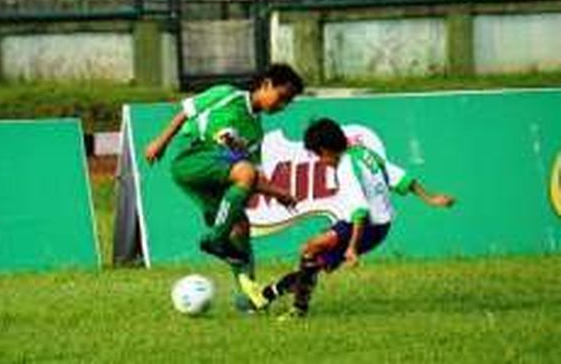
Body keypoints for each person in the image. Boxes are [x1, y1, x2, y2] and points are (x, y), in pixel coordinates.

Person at [252, 117, 455, 318]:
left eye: (317, 156)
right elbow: (401, 178)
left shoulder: (345, 168)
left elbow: (360, 212)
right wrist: (431, 198)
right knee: (312, 259)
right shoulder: (364, 154)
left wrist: (352, 248)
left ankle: (291, 306)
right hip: (375, 226)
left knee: (311, 250)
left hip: (366, 228)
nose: (320, 162)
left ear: (324, 150)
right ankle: (269, 295)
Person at [144, 64, 305, 309]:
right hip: (191, 158)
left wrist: (279, 193)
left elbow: (250, 178)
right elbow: (185, 112)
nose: (282, 106)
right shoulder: (226, 94)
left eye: (287, 102)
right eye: (282, 97)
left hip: (214, 178)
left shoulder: (256, 133)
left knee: (240, 228)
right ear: (266, 84)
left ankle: (248, 298)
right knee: (244, 176)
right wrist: (161, 141)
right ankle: (216, 239)